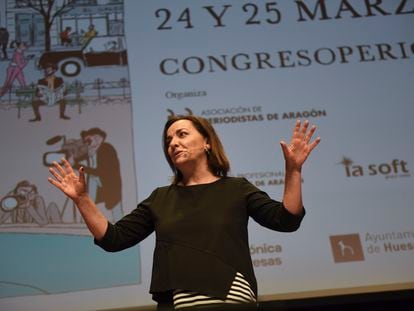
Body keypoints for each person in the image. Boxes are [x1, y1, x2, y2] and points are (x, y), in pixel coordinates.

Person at [47, 116, 320, 310]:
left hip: (230, 299)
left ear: (207, 143)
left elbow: (286, 220)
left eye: (182, 134)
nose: (173, 143)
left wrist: (293, 171)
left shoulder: (237, 189)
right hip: (176, 303)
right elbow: (113, 239)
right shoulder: (160, 198)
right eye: (168, 141)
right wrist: (83, 199)